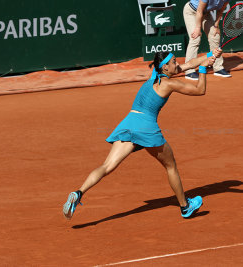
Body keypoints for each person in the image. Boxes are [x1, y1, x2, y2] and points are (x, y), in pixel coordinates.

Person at [63, 48, 222, 220]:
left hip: (128, 123)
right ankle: (185, 207)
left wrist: (209, 56)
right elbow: (200, 90)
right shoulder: (168, 84)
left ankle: (78, 193)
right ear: (165, 68)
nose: (177, 64)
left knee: (107, 166)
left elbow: (189, 64)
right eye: (174, 62)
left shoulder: (156, 71)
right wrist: (204, 69)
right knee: (170, 166)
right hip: (146, 127)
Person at [183, 0, 231, 80]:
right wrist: (198, 28)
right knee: (195, 38)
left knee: (215, 36)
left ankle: (218, 68)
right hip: (192, 12)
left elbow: (220, 10)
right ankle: (189, 71)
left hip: (205, 14)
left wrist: (216, 26)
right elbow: (199, 11)